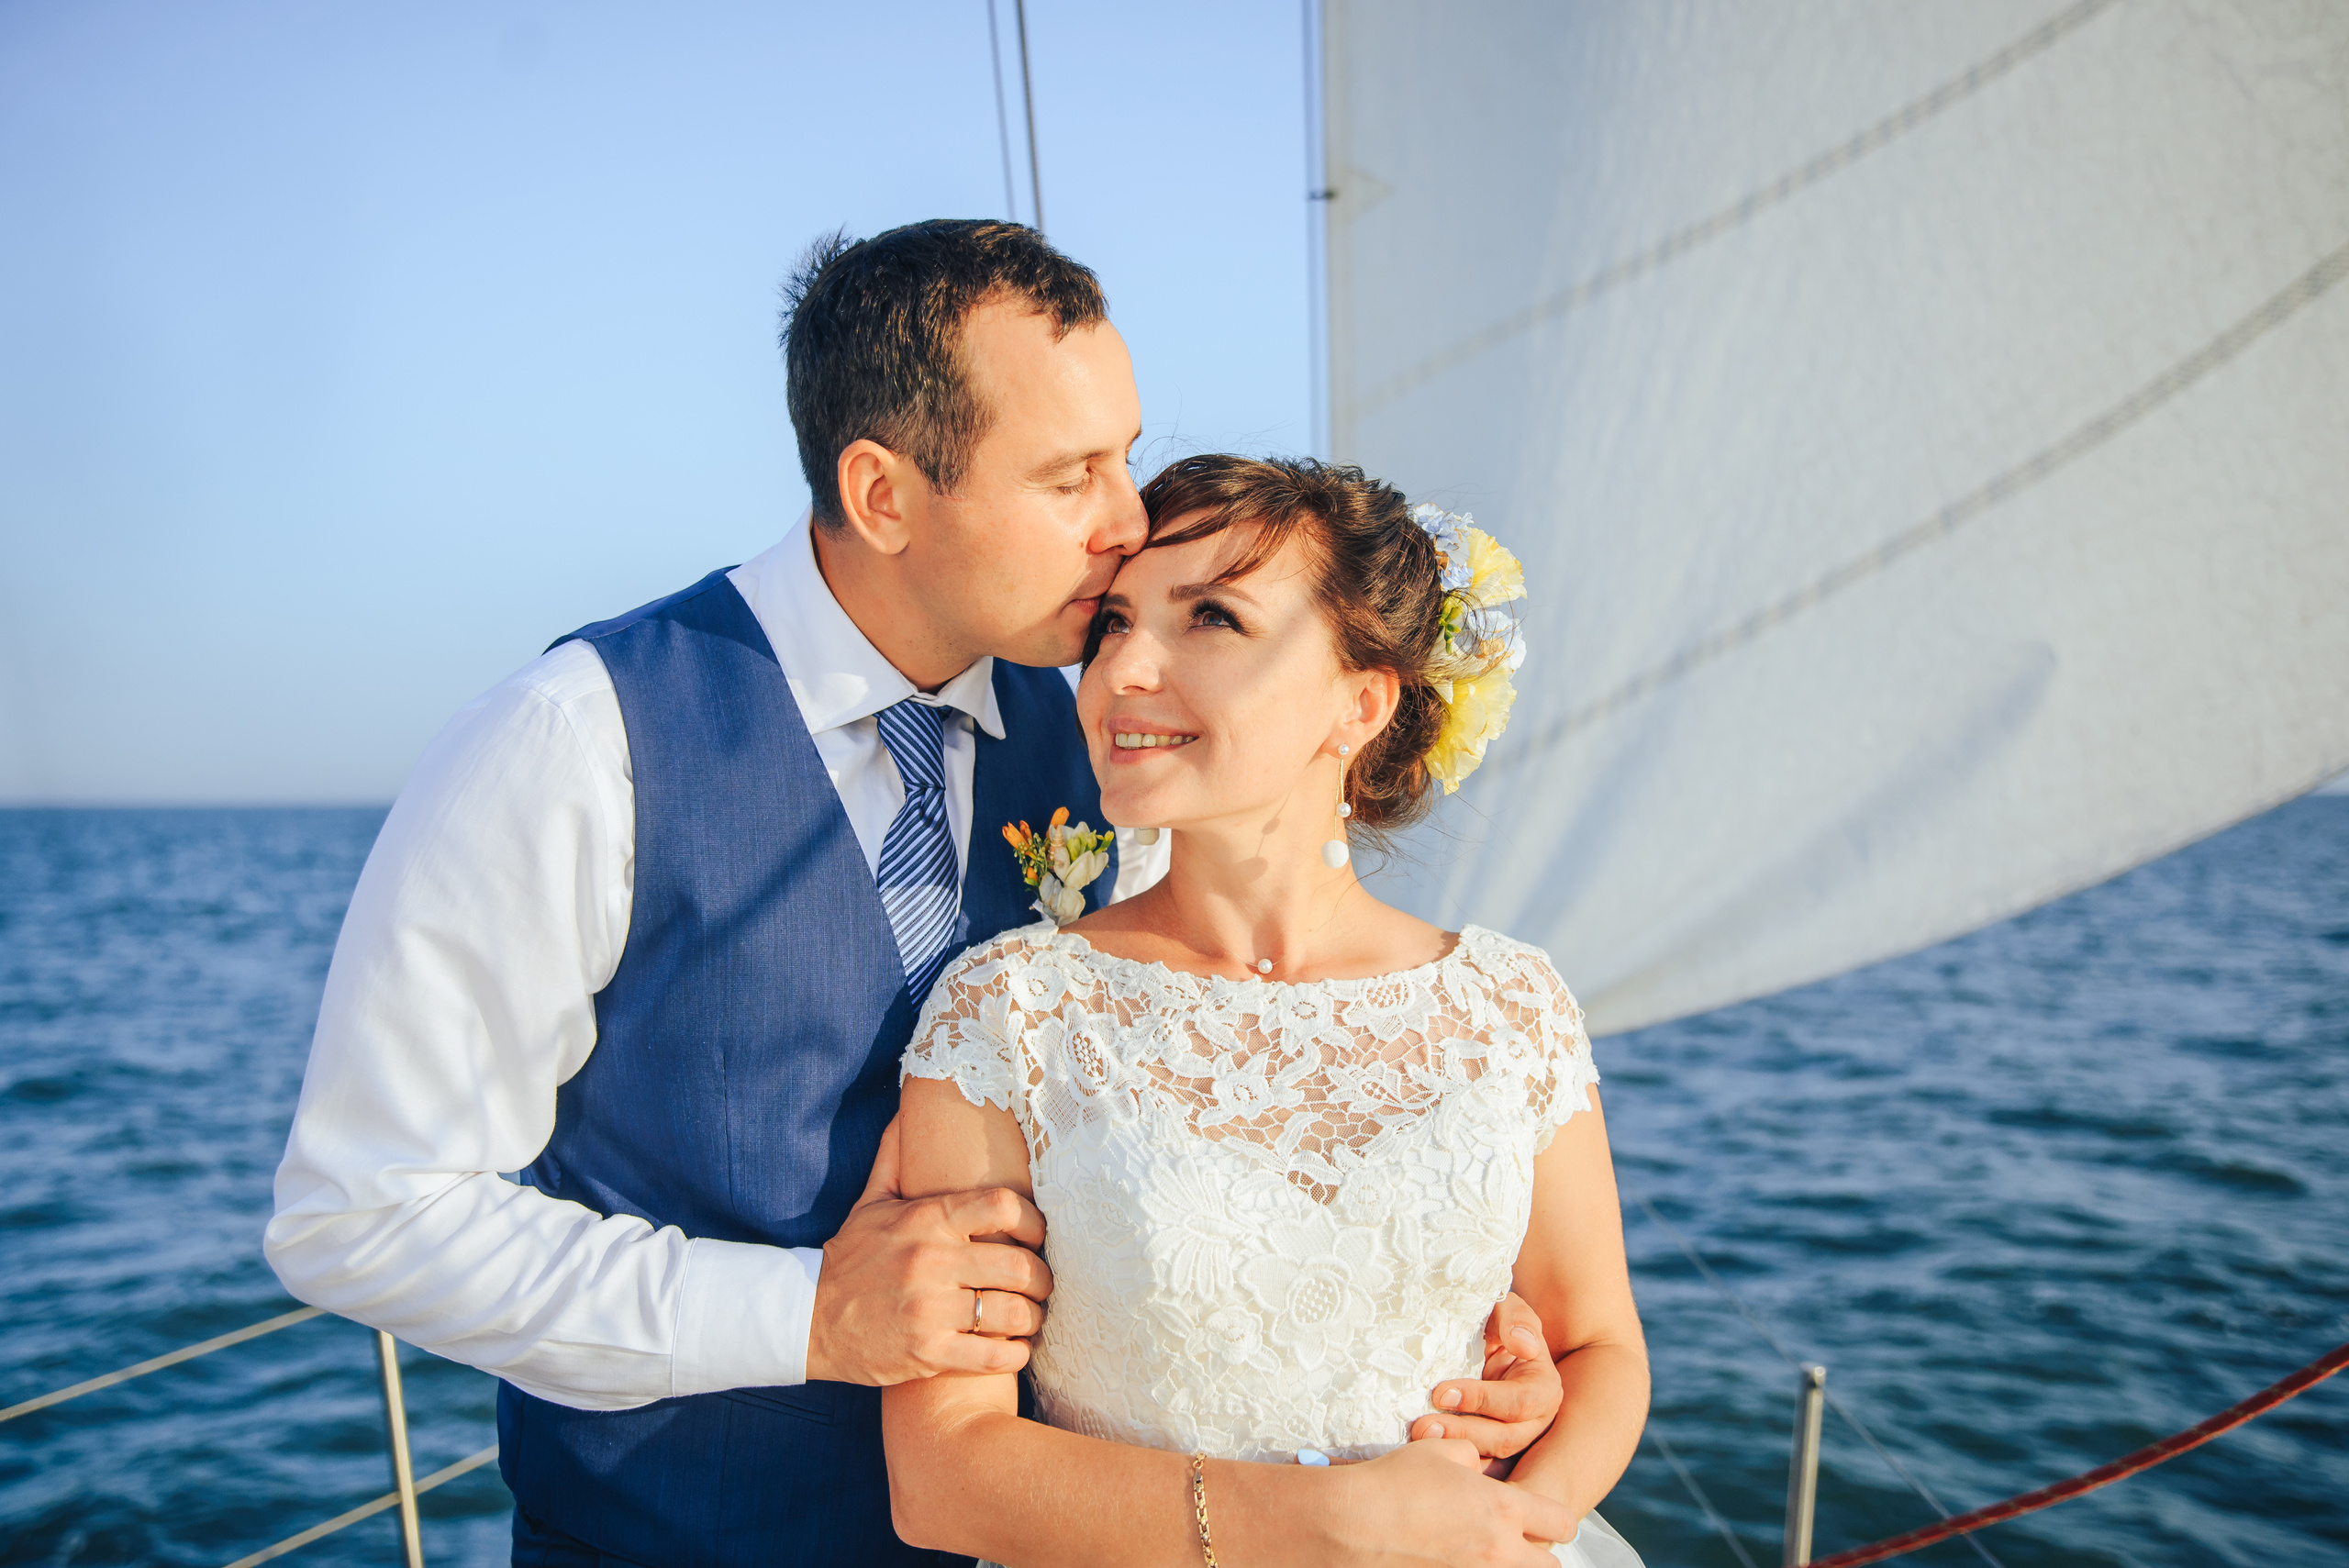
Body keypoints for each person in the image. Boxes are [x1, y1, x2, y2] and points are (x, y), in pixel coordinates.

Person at [264, 220, 1557, 1566]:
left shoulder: (1108, 749)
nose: (1129, 523)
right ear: (882, 495)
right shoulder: (576, 743)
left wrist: (1451, 1324)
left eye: (1124, 454)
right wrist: (806, 1314)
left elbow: (1204, 1109)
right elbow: (359, 1213)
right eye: (1072, 477)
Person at [886, 455, 1651, 1566]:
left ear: (1360, 701)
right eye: (1112, 623)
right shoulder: (1008, 1010)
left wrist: (1523, 1520)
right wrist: (1328, 1529)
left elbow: (1599, 1347)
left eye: (1211, 617)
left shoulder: (1511, 1006)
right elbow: (943, 1471)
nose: (1122, 670)